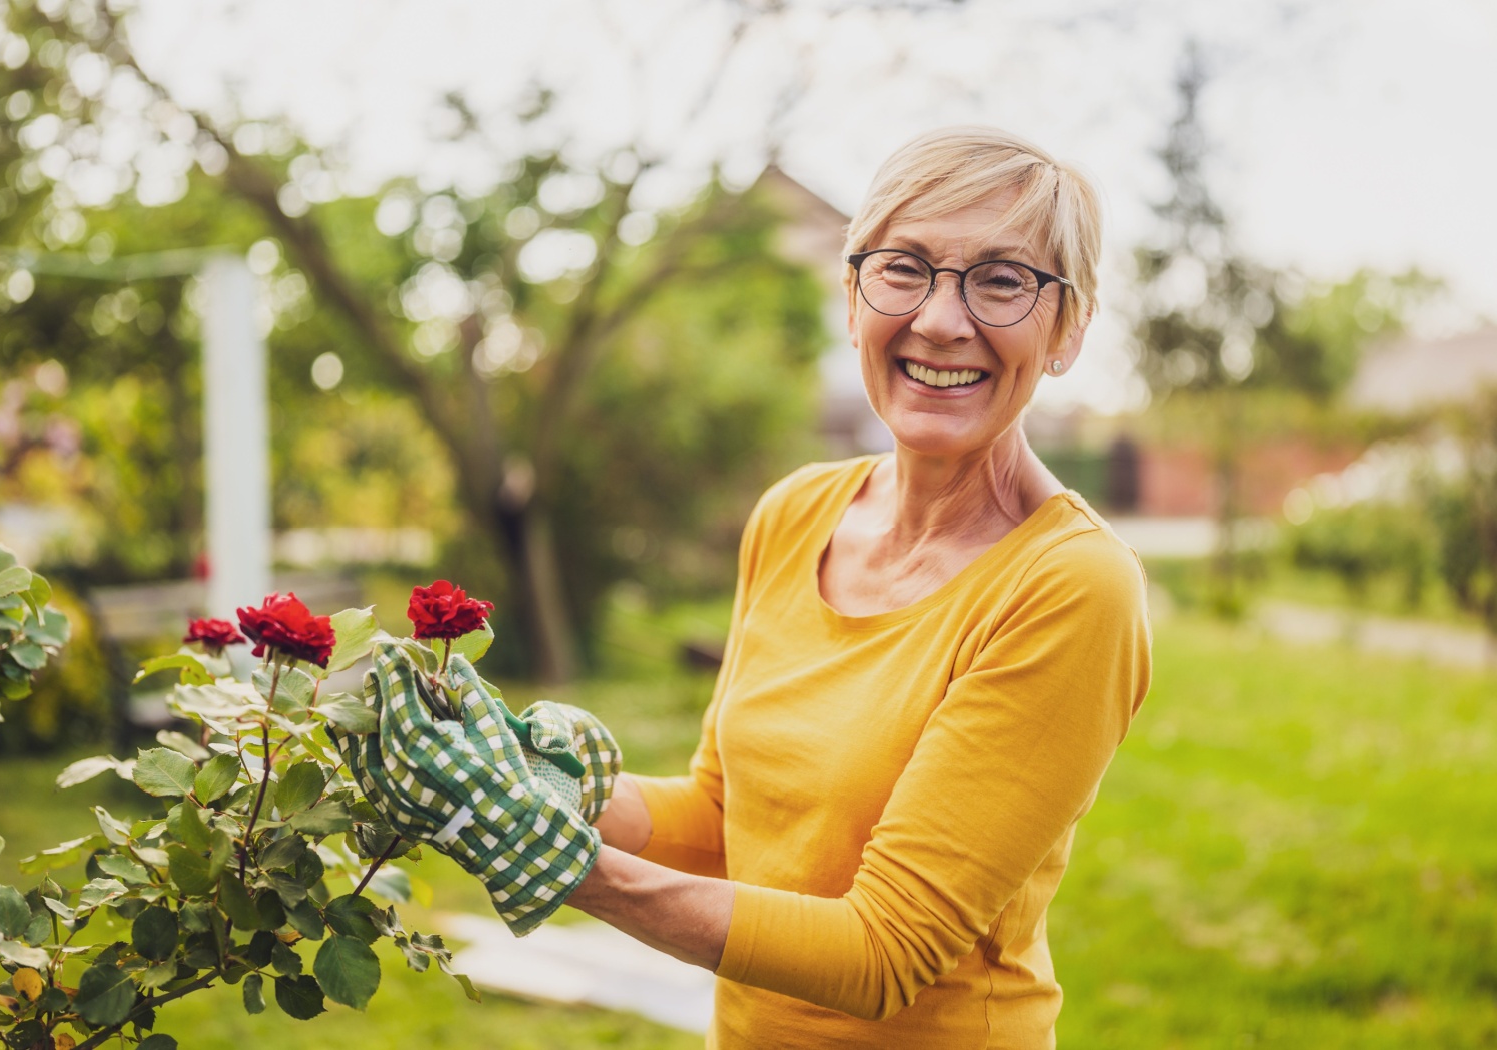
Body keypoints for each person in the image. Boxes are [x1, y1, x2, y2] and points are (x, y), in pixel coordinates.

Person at [350, 126, 1152, 1049]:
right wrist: (533, 780)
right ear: (853, 298)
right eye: (905, 268)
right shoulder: (797, 512)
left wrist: (562, 864)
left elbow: (883, 952)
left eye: (1003, 280)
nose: (940, 319)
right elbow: (725, 817)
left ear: (1069, 330)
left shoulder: (1071, 587)